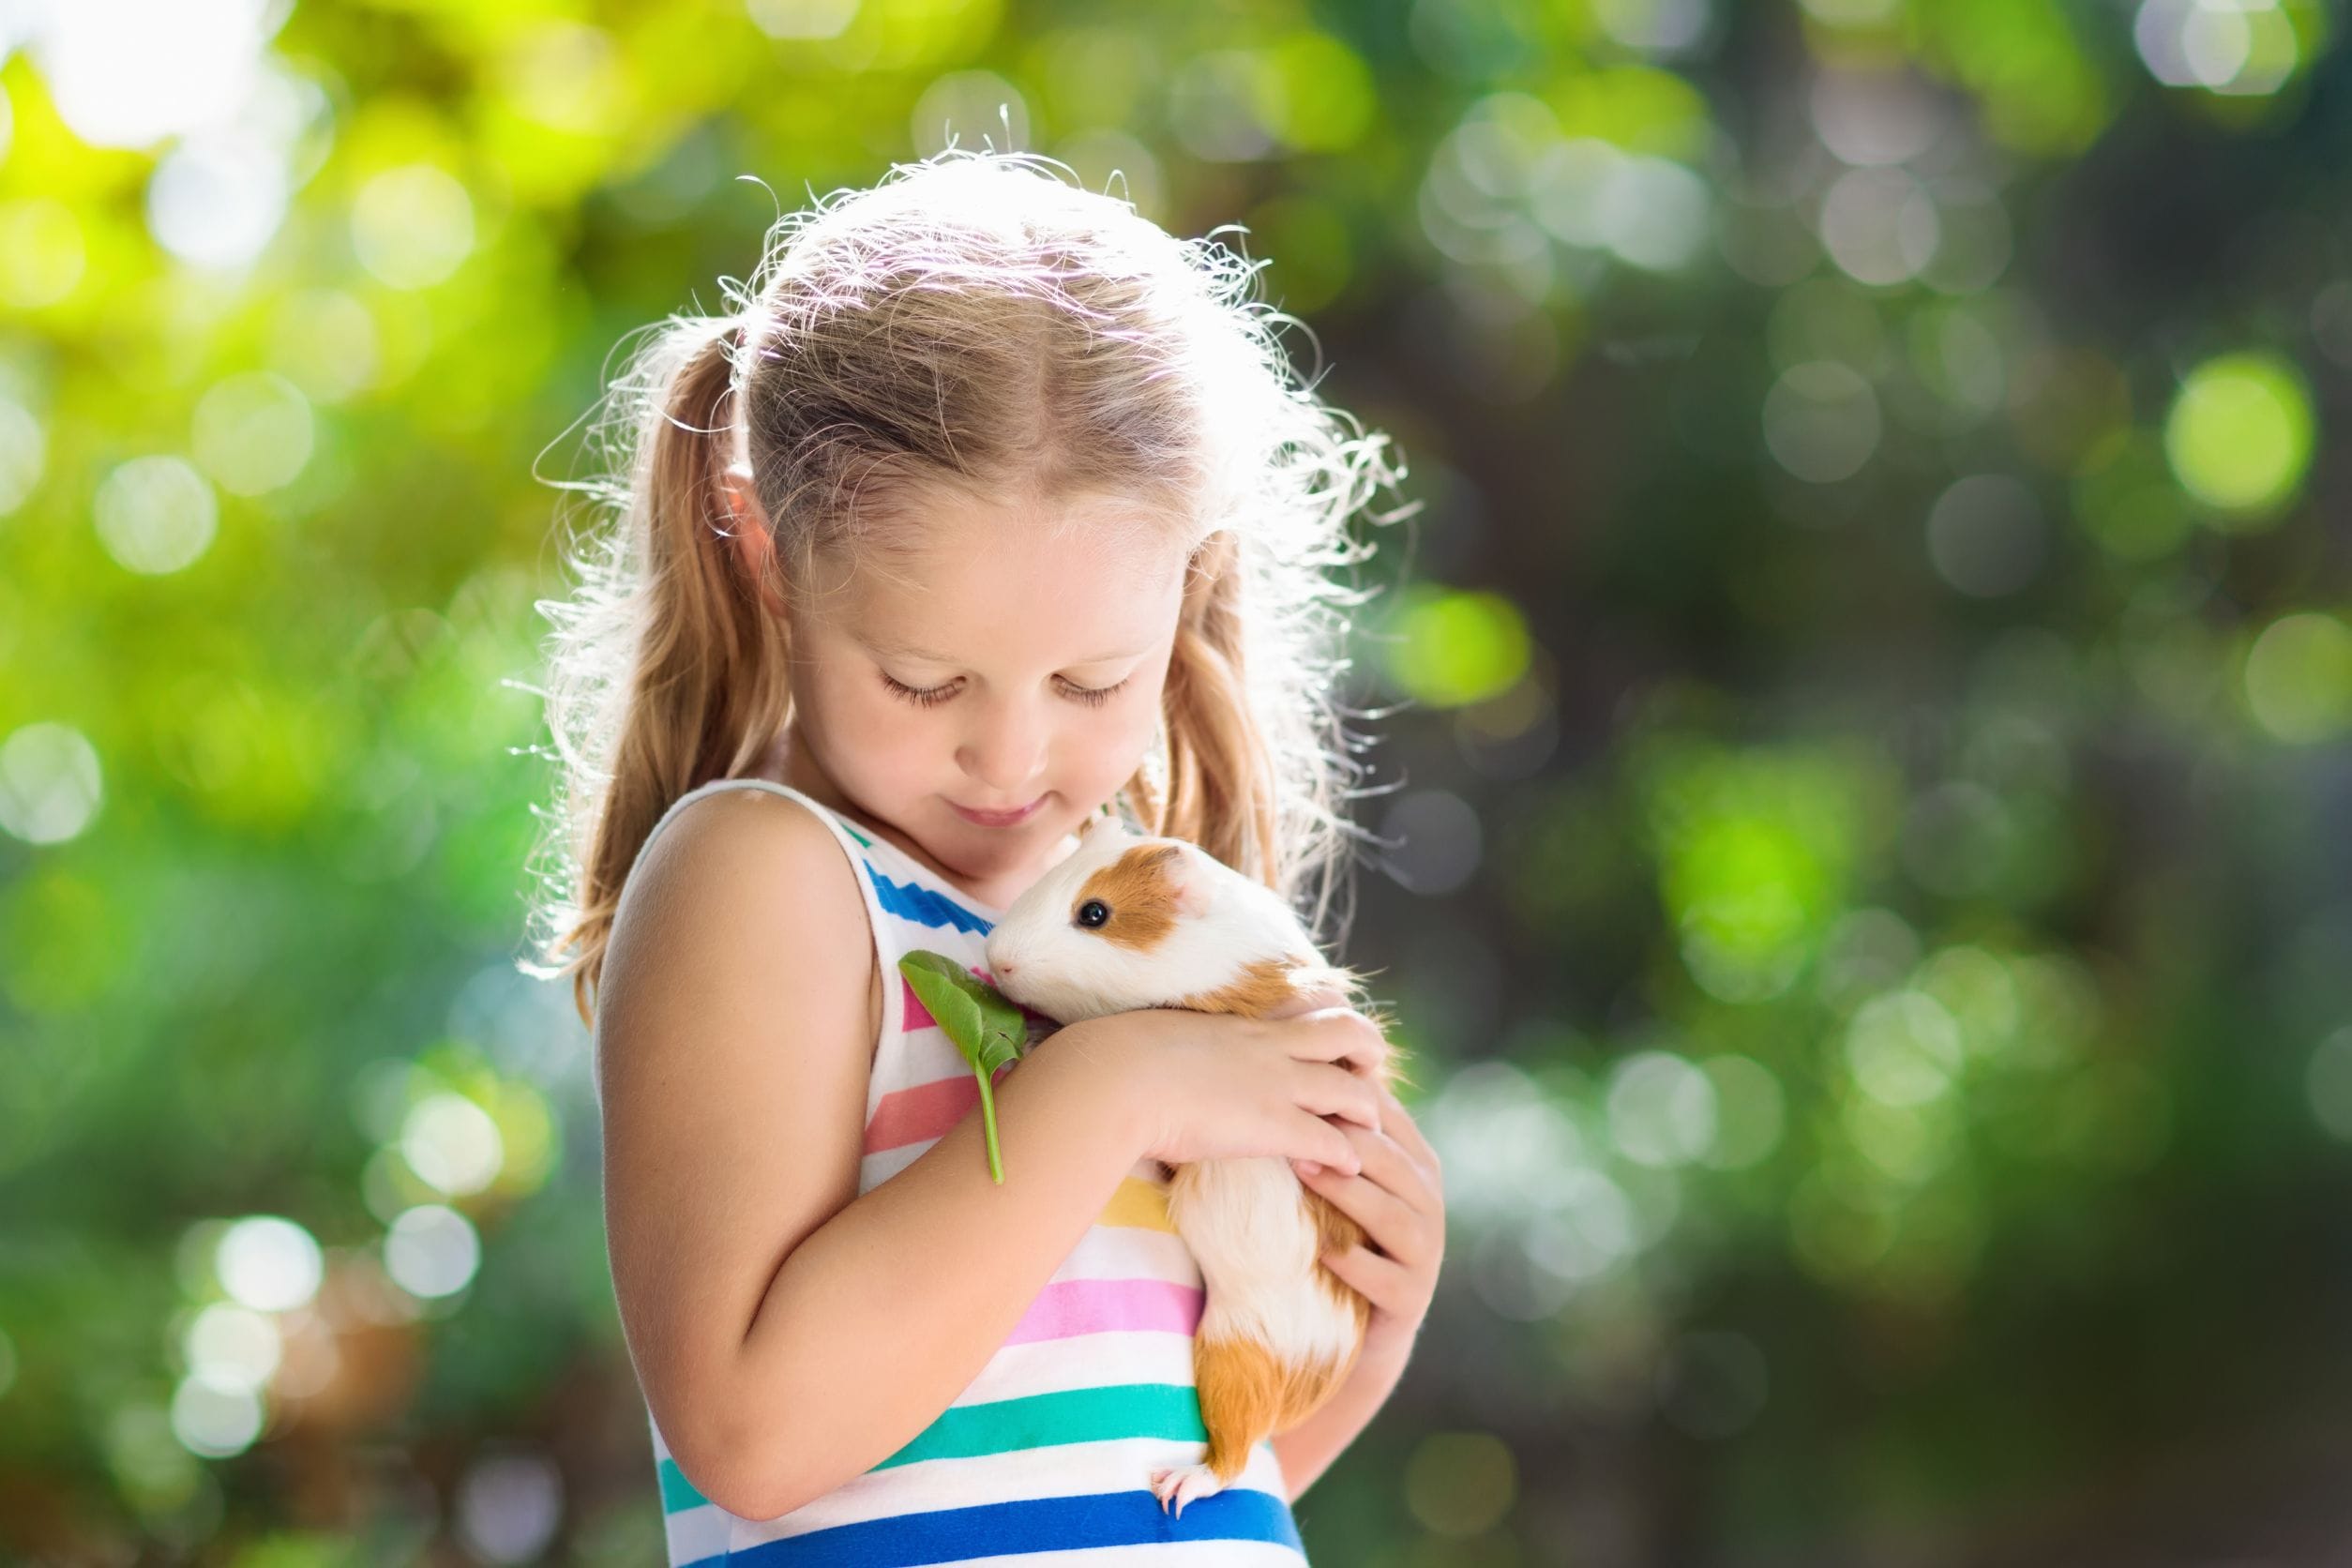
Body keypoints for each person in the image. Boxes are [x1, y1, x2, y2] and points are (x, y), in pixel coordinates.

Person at [522, 147, 1446, 1563]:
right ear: (769, 555)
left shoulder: (1122, 930)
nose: (1011, 761)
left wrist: (1359, 1340)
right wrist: (1116, 1093)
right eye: (923, 681)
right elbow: (759, 1438)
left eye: (1088, 684)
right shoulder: (767, 878)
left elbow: (1126, 1485)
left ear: (1188, 578)